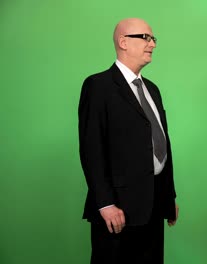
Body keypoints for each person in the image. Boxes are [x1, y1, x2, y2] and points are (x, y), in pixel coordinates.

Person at [78, 18, 179, 264]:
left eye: (153, 38)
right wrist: (105, 204)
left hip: (154, 206)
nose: (152, 44)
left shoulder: (152, 89)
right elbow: (92, 148)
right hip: (117, 210)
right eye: (145, 37)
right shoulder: (98, 85)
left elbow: (161, 143)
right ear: (123, 42)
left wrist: (169, 197)